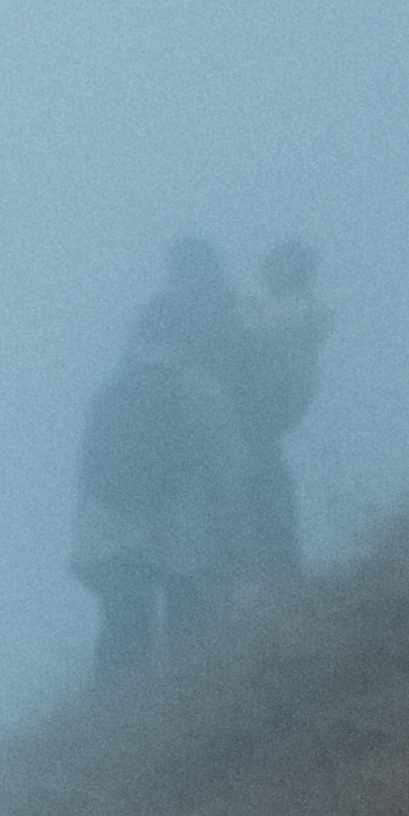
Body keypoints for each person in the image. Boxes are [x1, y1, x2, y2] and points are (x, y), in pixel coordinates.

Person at [69, 240, 256, 679]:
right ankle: (186, 701)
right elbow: (231, 468)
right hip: (176, 525)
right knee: (189, 625)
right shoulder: (199, 391)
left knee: (122, 632)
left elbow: (91, 469)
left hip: (107, 530)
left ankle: (115, 714)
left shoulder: (111, 392)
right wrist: (236, 533)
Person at [228, 239, 331, 582]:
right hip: (268, 400)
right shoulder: (279, 306)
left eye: (276, 265)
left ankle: (278, 565)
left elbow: (258, 326)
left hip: (278, 397)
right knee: (256, 471)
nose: (267, 271)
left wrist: (232, 306)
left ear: (297, 271)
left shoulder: (306, 308)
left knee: (263, 471)